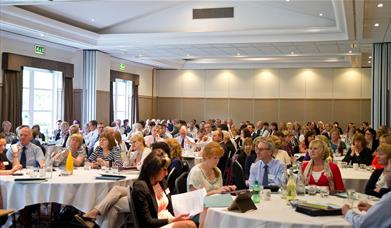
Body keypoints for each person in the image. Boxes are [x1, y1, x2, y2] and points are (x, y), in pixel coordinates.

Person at [133, 149, 196, 228]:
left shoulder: (162, 182)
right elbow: (147, 221)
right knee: (190, 225)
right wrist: (172, 220)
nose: (166, 173)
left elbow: (170, 204)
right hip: (156, 224)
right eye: (164, 169)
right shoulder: (141, 188)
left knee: (191, 220)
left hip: (169, 220)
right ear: (154, 169)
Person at [342, 160, 391, 228]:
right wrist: (374, 209)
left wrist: (347, 212)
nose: (384, 175)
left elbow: (363, 224)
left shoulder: (388, 198)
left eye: (387, 171)